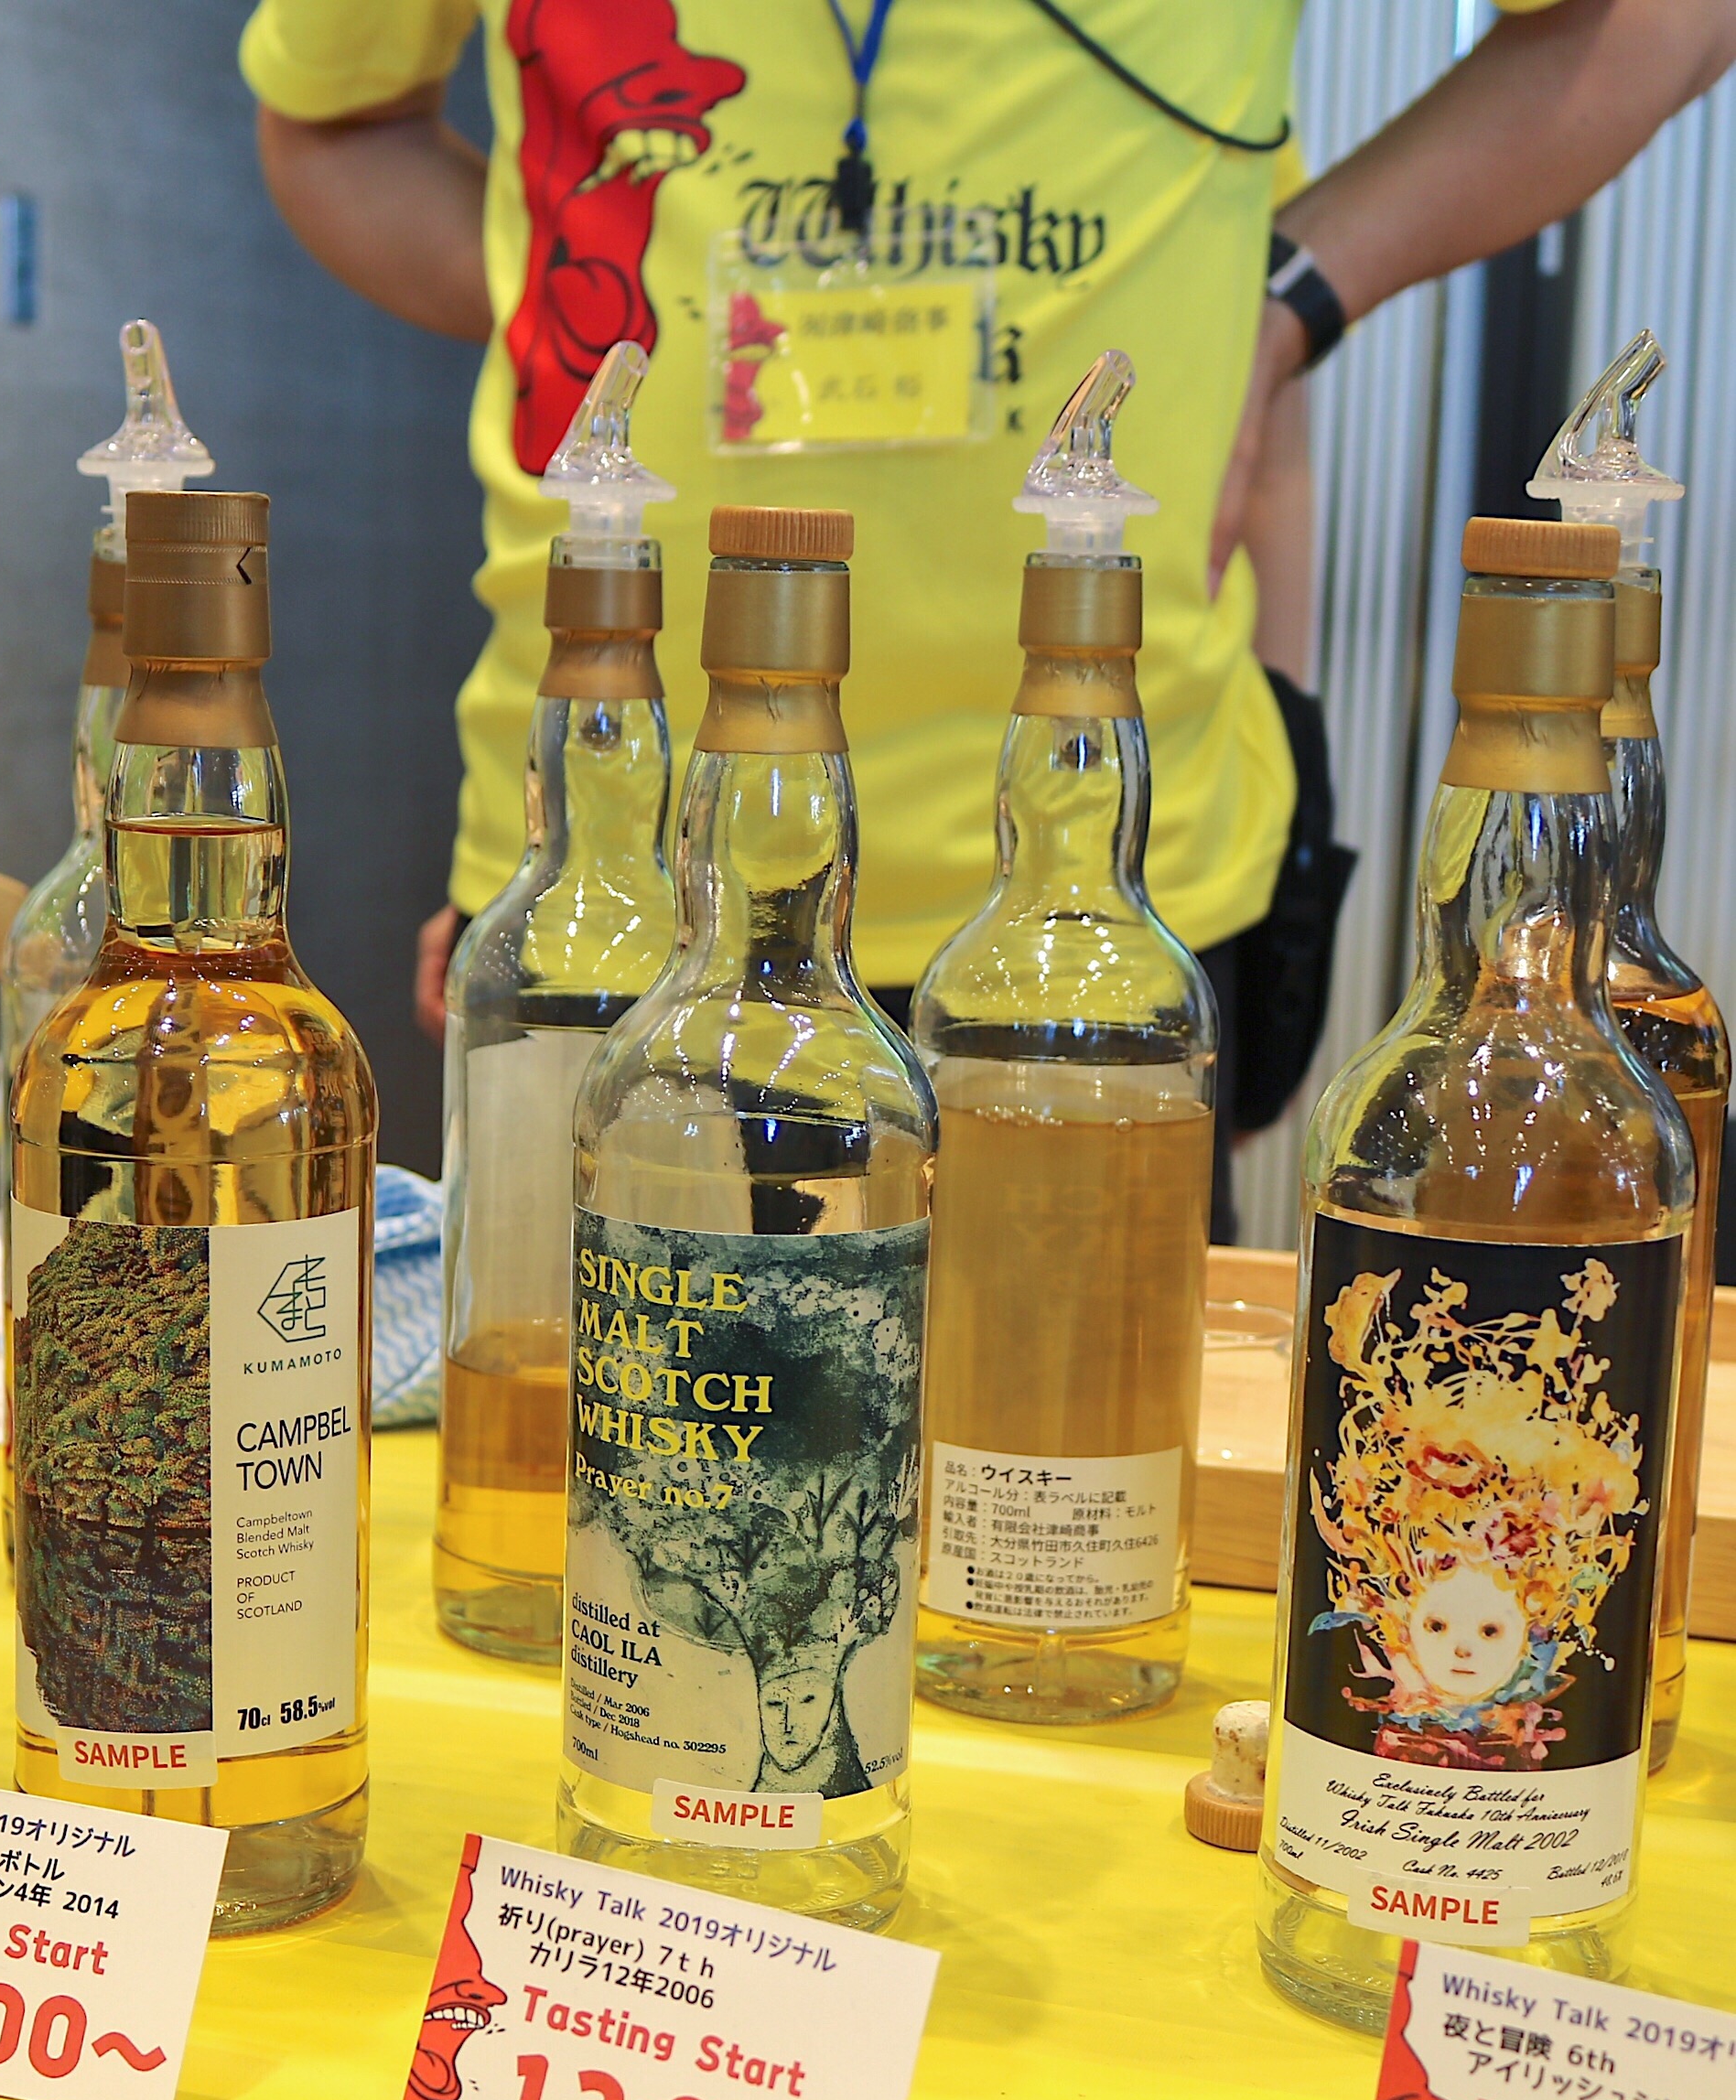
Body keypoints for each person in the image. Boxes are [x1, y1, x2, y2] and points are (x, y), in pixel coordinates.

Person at [242, 0, 1736, 1235]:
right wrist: (576, 283)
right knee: (585, 1476)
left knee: (1065, 1475)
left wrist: (1291, 295)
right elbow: (330, 126)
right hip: (611, 877)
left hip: (1102, 905)